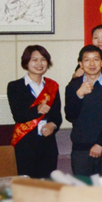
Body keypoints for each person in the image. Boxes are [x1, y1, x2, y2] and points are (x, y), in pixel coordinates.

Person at [66, 45, 102, 177]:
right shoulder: (73, 86)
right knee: (83, 188)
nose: (92, 64)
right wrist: (79, 94)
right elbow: (70, 115)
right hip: (81, 149)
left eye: (96, 59)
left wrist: (100, 144)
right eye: (87, 60)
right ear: (80, 64)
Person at [8, 45, 62, 179]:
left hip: (47, 147)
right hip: (25, 146)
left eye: (43, 59)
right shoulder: (15, 86)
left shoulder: (52, 86)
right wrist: (37, 109)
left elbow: (57, 116)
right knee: (26, 186)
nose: (39, 63)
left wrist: (53, 125)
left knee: (46, 186)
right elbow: (18, 115)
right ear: (26, 62)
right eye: (34, 60)